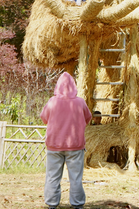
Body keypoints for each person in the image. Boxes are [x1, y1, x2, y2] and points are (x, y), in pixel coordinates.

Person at [41, 72, 92, 209]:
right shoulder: (80, 102)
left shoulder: (52, 101)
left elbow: (44, 118)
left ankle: (52, 204)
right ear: (73, 86)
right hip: (75, 146)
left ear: (57, 86)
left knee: (52, 176)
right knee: (75, 178)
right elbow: (88, 118)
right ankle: (77, 205)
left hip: (54, 145)